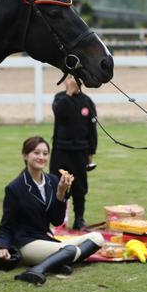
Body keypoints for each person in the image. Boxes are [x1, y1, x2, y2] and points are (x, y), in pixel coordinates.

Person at [0, 136, 104, 286]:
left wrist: (60, 194)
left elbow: (57, 221)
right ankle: (36, 271)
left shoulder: (52, 180)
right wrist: (2, 247)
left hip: (45, 239)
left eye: (45, 153)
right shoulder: (15, 188)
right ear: (25, 155)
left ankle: (56, 263)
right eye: (36, 152)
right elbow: (7, 224)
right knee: (71, 250)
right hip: (25, 243)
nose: (41, 157)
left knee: (98, 238)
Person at [50, 75, 98, 230]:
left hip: (80, 151)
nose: (73, 81)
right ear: (65, 81)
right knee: (57, 184)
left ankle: (79, 218)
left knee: (79, 187)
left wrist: (91, 151)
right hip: (61, 150)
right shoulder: (60, 99)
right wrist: (69, 93)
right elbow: (59, 112)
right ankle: (57, 220)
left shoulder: (87, 102)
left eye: (76, 78)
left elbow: (92, 130)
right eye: (70, 78)